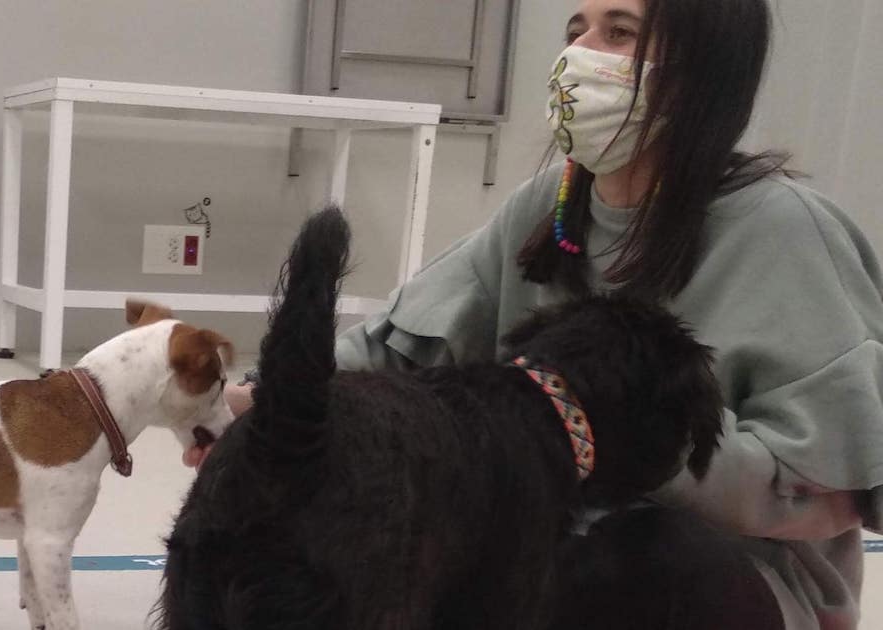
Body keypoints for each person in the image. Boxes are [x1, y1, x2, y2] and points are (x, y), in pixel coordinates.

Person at [219, 0, 883, 627]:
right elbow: (403, 344)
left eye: (618, 33)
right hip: (546, 545)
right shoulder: (550, 207)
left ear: (699, 69)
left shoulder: (787, 231)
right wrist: (275, 401)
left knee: (639, 556)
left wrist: (635, 437)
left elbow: (830, 493)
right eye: (576, 30)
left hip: (729, 579)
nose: (580, 55)